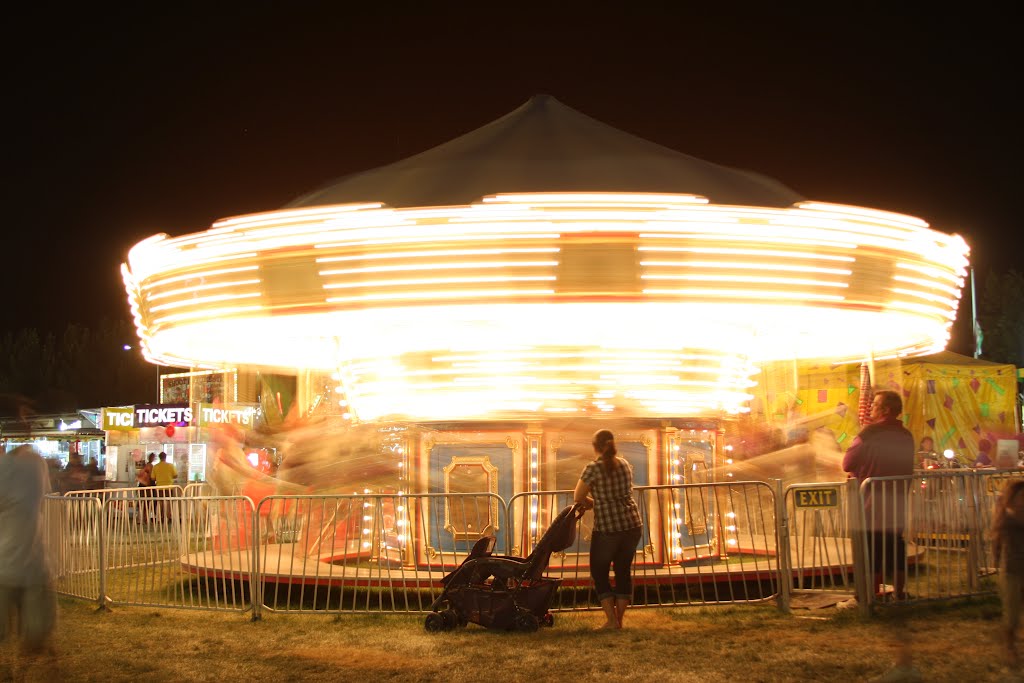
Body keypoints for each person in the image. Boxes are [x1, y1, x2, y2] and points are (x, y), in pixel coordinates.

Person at [844, 390, 918, 682]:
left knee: (872, 548)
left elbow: (848, 462)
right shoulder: (907, 435)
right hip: (897, 499)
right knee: (895, 545)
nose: (870, 409)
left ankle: (870, 596)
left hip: (871, 501)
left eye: (874, 405)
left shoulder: (870, 433)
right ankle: (899, 593)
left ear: (885, 409)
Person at [573, 429, 643, 630]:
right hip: (631, 524)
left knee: (599, 571)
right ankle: (619, 620)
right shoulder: (624, 464)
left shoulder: (592, 468)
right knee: (622, 570)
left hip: (608, 528)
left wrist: (594, 503)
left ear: (594, 446)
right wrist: (602, 501)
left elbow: (578, 496)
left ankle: (612, 621)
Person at [0, 441, 58, 670]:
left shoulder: (25, 466)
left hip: (16, 568)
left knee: (34, 637)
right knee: (36, 637)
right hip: (31, 568)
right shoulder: (34, 465)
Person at [992, 479, 1024, 669]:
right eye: (1020, 498)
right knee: (1012, 614)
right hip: (1012, 569)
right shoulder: (1008, 518)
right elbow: (997, 540)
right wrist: (996, 561)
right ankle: (1009, 647)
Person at [151, 452, 178, 522]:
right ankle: (168, 517)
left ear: (159, 458)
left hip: (159, 487)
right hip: (169, 487)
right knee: (168, 502)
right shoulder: (170, 466)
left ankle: (159, 518)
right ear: (165, 457)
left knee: (160, 503)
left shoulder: (156, 466)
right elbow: (175, 475)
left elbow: (153, 478)